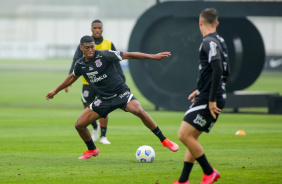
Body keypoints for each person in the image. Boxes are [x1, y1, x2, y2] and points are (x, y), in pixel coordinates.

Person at [46, 35, 179, 159]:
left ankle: (164, 140)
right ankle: (92, 149)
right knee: (79, 125)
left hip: (120, 93)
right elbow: (71, 78)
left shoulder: (105, 55)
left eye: (92, 47)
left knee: (139, 111)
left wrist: (153, 57)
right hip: (103, 99)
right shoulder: (80, 65)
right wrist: (56, 91)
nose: (90, 50)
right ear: (81, 48)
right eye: (87, 47)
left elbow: (130, 55)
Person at [173, 8, 230, 184]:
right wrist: (201, 88)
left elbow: (218, 68)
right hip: (209, 94)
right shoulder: (220, 40)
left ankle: (209, 172)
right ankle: (183, 181)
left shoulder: (209, 41)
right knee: (192, 137)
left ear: (200, 22)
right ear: (217, 23)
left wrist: (211, 98)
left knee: (184, 135)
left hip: (209, 99)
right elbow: (225, 71)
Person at [65, 19, 124, 144]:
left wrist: (121, 77)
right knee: (87, 105)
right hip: (88, 82)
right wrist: (70, 80)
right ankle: (95, 127)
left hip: (105, 83)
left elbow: (116, 61)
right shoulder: (84, 44)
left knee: (104, 106)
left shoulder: (109, 43)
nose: (97, 30)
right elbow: (76, 61)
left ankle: (103, 136)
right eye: (95, 28)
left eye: (99, 28)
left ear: (102, 29)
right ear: (91, 29)